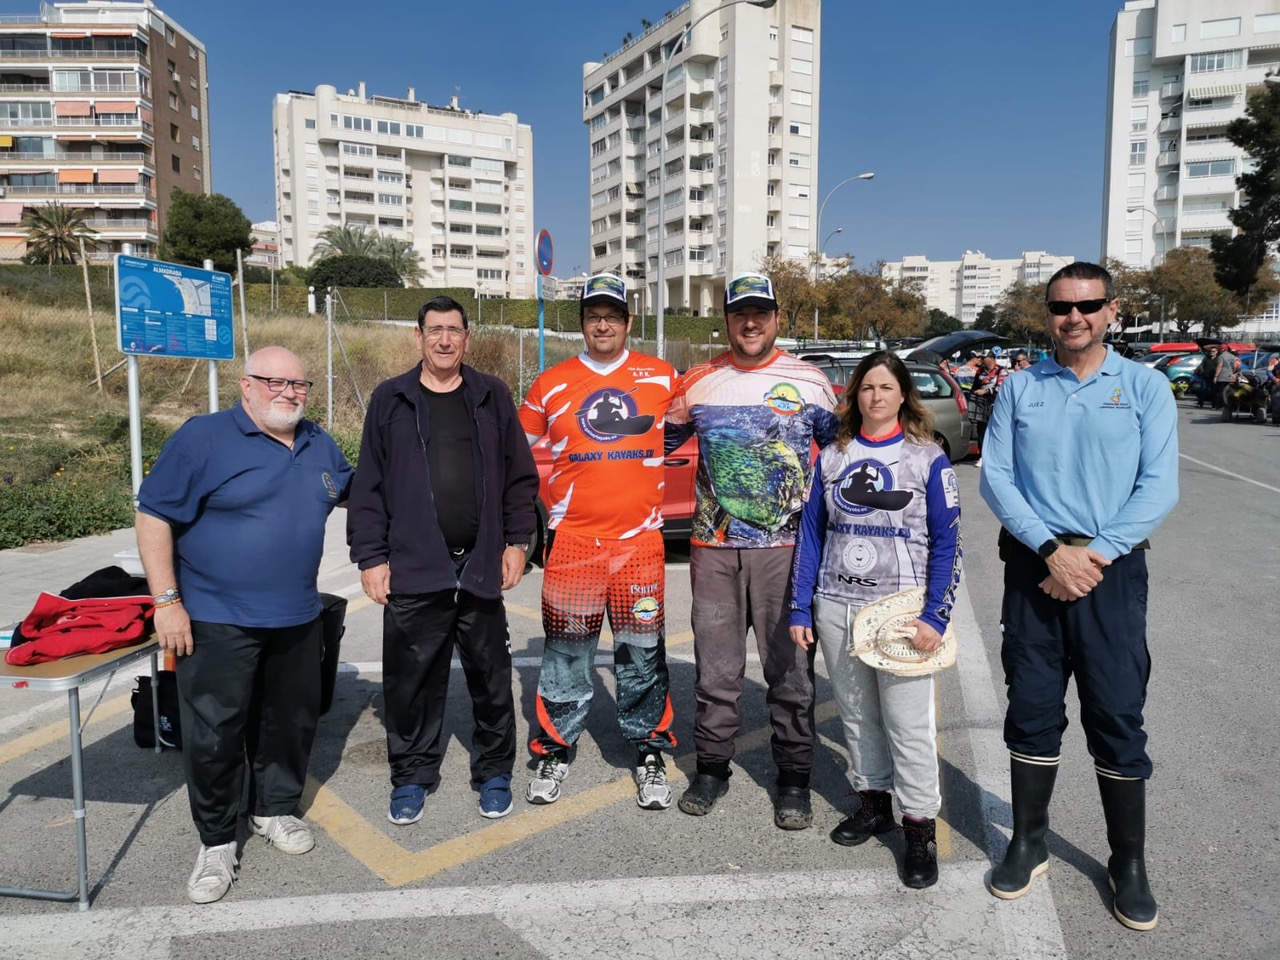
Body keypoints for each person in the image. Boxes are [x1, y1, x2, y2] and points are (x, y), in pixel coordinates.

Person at [979, 262, 1178, 931]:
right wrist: (1049, 550)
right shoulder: (1019, 387)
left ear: (1112, 310)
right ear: (1048, 313)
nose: (1075, 317)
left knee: (1118, 714)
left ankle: (1128, 863)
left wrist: (1091, 556)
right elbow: (997, 478)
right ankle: (1029, 840)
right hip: (1035, 567)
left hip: (1108, 571)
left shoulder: (1145, 387)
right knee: (1031, 708)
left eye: (1088, 305)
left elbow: (1159, 486)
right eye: (1062, 307)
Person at [135, 346, 352, 904]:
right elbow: (154, 514)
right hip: (214, 616)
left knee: (290, 721)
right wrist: (166, 602)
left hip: (298, 616)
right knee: (214, 733)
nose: (289, 392)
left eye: (299, 384)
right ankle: (215, 841)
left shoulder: (317, 442)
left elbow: (361, 491)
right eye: (275, 382)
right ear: (246, 385)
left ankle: (273, 809)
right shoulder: (204, 437)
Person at [347, 296, 539, 827]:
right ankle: (411, 776)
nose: (445, 340)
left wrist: (517, 541)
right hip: (414, 569)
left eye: (454, 330)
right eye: (435, 331)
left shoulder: (491, 395)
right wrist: (370, 556)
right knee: (409, 684)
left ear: (467, 338)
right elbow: (370, 485)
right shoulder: (391, 399)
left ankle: (495, 772)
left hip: (479, 568)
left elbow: (520, 478)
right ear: (419, 337)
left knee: (491, 679)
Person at [665, 271, 838, 829]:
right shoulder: (698, 381)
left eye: (761, 312)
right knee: (716, 670)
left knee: (789, 670)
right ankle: (713, 768)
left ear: (777, 319)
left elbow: (840, 464)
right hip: (712, 550)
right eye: (740, 313)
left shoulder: (810, 382)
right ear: (727, 320)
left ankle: (793, 779)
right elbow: (650, 445)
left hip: (786, 551)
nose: (751, 322)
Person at [788, 351, 961, 889]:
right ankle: (873, 803)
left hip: (902, 612)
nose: (876, 396)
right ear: (855, 395)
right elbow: (812, 534)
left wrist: (936, 614)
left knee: (908, 725)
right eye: (867, 388)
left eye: (886, 387)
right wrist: (801, 604)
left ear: (903, 395)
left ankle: (918, 828)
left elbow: (948, 543)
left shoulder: (927, 458)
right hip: (837, 604)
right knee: (858, 715)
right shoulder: (833, 456)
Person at [518, 273, 679, 810]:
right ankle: (555, 747)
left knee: (642, 654)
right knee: (567, 653)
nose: (602, 323)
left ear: (628, 321)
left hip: (641, 547)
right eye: (593, 315)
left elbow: (693, 426)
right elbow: (512, 450)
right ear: (582, 323)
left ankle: (649, 748)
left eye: (612, 314)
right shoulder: (552, 382)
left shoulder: (662, 377)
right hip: (574, 545)